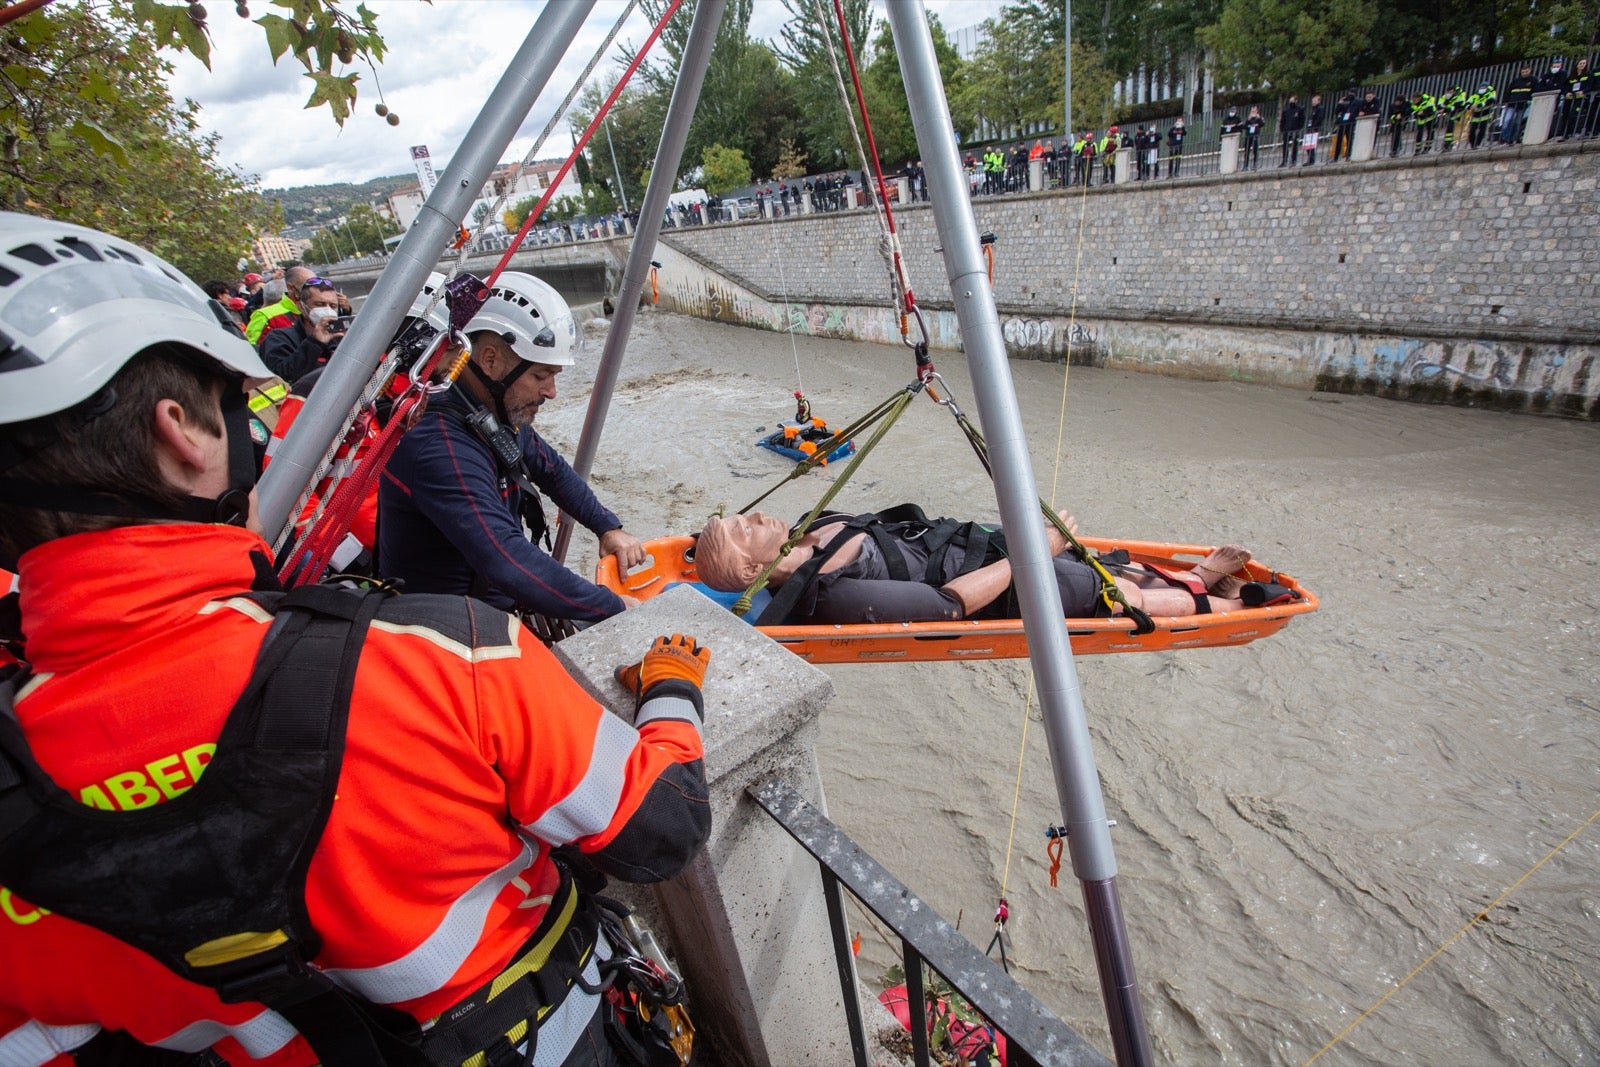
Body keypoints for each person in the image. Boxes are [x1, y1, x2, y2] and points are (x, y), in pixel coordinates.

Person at [0, 214, 712, 1066]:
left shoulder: (17, 785)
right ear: (180, 434)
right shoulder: (441, 661)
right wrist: (669, 683)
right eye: (233, 406)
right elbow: (662, 827)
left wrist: (609, 524)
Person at [378, 272, 645, 625]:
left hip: (489, 608)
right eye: (540, 376)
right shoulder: (438, 444)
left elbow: (551, 469)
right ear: (490, 361)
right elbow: (505, 559)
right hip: (445, 629)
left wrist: (607, 527)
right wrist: (611, 606)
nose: (551, 392)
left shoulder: (487, 413)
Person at [693, 506, 1251, 626]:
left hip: (974, 546)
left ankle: (1191, 578)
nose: (755, 516)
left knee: (1100, 564)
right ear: (751, 571)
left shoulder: (808, 533)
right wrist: (1036, 555)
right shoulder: (829, 591)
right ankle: (1212, 594)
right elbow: (949, 605)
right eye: (744, 530)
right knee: (1106, 591)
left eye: (740, 517)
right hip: (1003, 582)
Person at [258, 278, 346, 383]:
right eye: (319, 304)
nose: (327, 310)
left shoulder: (341, 337)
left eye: (333, 306)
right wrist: (315, 342)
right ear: (301, 307)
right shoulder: (278, 338)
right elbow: (283, 376)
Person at [246, 264, 316, 347]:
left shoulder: (321, 307)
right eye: (307, 286)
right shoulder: (265, 316)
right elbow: (253, 350)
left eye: (315, 284)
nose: (314, 290)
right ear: (290, 288)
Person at [1503, 62, 1537, 143]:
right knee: (1507, 120)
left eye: (1526, 71)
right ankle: (1505, 138)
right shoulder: (1516, 81)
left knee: (1517, 123)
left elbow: (1534, 91)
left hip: (1523, 105)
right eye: (1523, 72)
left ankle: (1513, 139)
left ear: (1530, 71)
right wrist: (1506, 101)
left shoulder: (1533, 80)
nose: (1524, 73)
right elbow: (1508, 91)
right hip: (1512, 104)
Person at [1468, 81, 1498, 148]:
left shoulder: (1491, 93)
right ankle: (1472, 144)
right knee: (1472, 131)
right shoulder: (1475, 94)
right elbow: (1468, 102)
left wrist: (1478, 105)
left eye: (1484, 87)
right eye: (1481, 87)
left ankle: (1477, 144)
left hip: (1486, 115)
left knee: (1482, 131)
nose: (1482, 88)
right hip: (1475, 115)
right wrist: (1470, 106)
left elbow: (1491, 101)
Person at [1331, 90, 1358, 161]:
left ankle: (1348, 155)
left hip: (1350, 123)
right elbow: (1336, 111)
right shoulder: (1344, 100)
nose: (1350, 94)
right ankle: (1335, 157)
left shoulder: (1356, 101)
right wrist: (1340, 103)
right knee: (1339, 140)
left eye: (1352, 93)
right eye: (1350, 93)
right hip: (1342, 123)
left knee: (1349, 140)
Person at [1280, 95, 1305, 166]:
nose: (1291, 102)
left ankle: (1293, 160)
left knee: (1295, 145)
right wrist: (1282, 129)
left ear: (1296, 101)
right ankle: (1284, 161)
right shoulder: (1286, 110)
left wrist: (1299, 128)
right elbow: (1283, 120)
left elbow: (1302, 119)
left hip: (1295, 129)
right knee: (1285, 146)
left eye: (1292, 101)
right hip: (1287, 130)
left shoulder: (1300, 109)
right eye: (1290, 101)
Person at [1387, 92, 1413, 157]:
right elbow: (1389, 114)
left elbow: (1408, 112)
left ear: (1401, 102)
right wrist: (1392, 119)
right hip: (1394, 123)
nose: (1396, 103)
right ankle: (1394, 150)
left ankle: (1395, 150)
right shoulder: (1392, 106)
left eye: (1398, 102)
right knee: (1394, 136)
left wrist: (1401, 116)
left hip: (1402, 122)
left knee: (1397, 136)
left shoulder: (1407, 104)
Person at [1304, 94, 1325, 164]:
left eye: (1314, 101)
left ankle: (1311, 160)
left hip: (1314, 129)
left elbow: (1319, 119)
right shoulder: (1313, 109)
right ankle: (1309, 159)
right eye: (1312, 101)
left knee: (1311, 145)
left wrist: (1314, 127)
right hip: (1310, 128)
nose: (1313, 102)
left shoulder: (1320, 109)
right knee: (1308, 145)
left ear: (1318, 101)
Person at [1243, 105, 1265, 170]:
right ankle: (1245, 165)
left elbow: (1262, 124)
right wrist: (1248, 119)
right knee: (1246, 151)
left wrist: (1258, 118)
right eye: (1252, 111)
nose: (1253, 112)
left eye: (1254, 111)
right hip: (1248, 136)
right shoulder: (1249, 119)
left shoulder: (1258, 118)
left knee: (1255, 151)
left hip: (1255, 136)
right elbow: (1244, 126)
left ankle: (1255, 164)